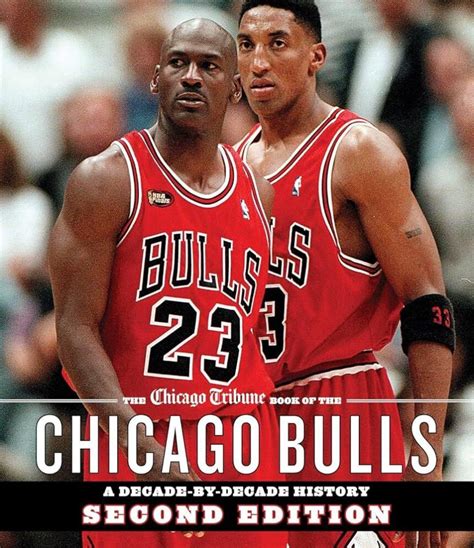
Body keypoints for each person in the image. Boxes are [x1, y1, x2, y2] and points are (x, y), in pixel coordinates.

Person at [49, 18, 286, 548]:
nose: (192, 76)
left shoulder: (258, 192)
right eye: (178, 62)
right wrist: (142, 450)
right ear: (155, 79)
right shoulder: (106, 179)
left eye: (209, 66)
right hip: (138, 436)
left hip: (240, 442)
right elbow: (74, 328)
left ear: (236, 88)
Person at [236, 2, 454, 547]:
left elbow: (428, 303)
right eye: (246, 45)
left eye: (277, 43)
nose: (259, 62)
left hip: (341, 407)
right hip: (254, 419)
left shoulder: (358, 150)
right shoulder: (229, 167)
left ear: (316, 56)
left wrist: (425, 456)